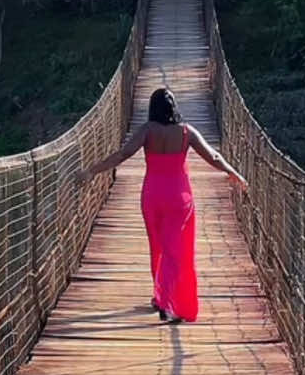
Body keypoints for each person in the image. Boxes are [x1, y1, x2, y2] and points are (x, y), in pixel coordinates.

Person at [75, 87, 248, 324]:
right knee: (175, 250)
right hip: (179, 197)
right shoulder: (187, 132)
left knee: (158, 247)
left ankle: (161, 297)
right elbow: (213, 156)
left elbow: (122, 154)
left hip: (153, 196)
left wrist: (91, 171)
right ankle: (167, 303)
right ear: (174, 108)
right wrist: (233, 172)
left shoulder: (147, 131)